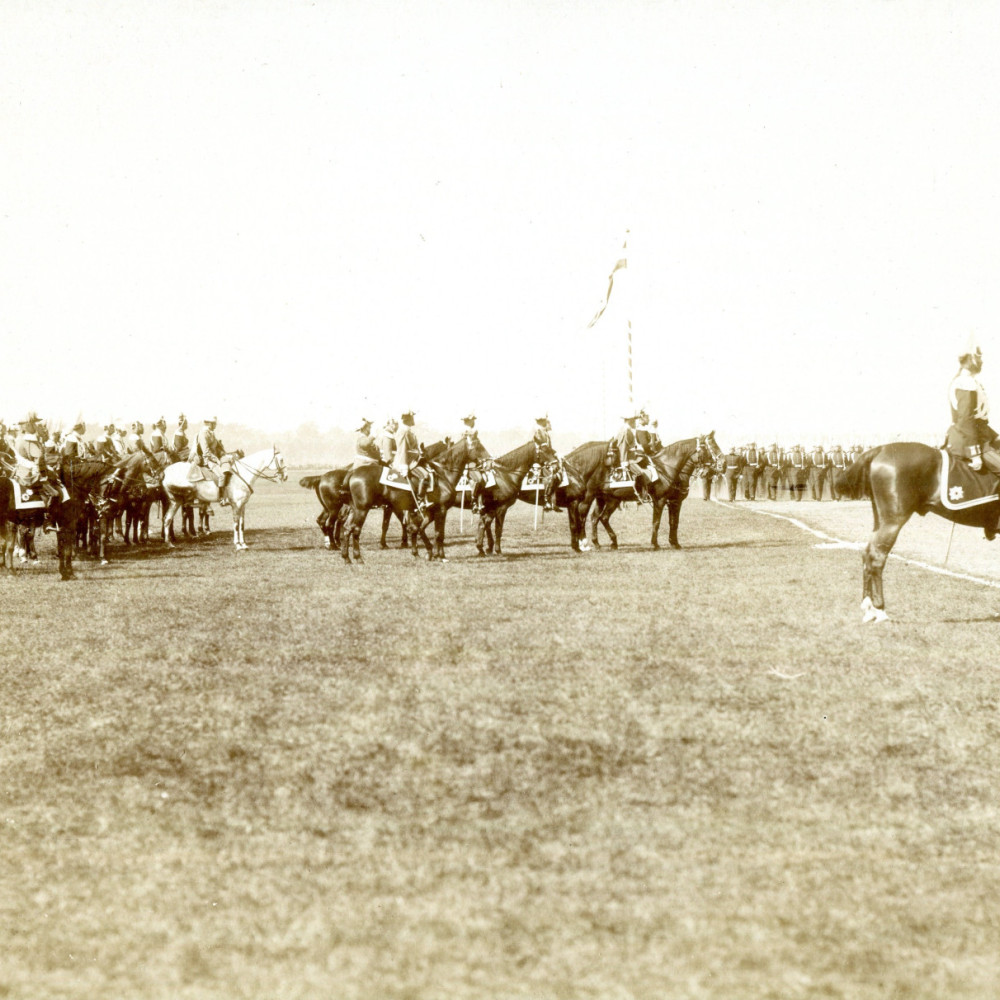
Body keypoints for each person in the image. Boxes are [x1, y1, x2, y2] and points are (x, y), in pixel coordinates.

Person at [946, 338, 1000, 474]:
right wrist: (975, 454)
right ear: (972, 360)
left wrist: (995, 437)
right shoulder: (965, 383)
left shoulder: (971, 382)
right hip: (967, 441)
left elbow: (979, 422)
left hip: (980, 436)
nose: (981, 361)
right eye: (978, 358)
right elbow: (966, 419)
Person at [613, 410, 652, 503]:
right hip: (627, 459)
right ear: (629, 421)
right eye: (634, 421)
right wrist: (624, 462)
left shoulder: (628, 430)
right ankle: (642, 496)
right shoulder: (625, 431)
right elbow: (622, 447)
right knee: (640, 473)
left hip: (631, 457)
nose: (635, 422)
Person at [393, 410, 427, 510]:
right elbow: (403, 449)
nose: (413, 419)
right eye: (412, 418)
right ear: (407, 419)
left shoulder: (408, 431)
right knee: (424, 475)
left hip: (413, 460)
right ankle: (420, 500)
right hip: (408, 462)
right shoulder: (403, 431)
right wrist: (404, 466)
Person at [193, 416, 232, 505]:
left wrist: (224, 454)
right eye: (215, 423)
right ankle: (222, 498)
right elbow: (206, 452)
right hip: (207, 460)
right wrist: (217, 460)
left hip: (214, 458)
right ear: (210, 424)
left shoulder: (211, 433)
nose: (216, 425)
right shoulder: (203, 434)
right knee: (222, 475)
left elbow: (217, 446)